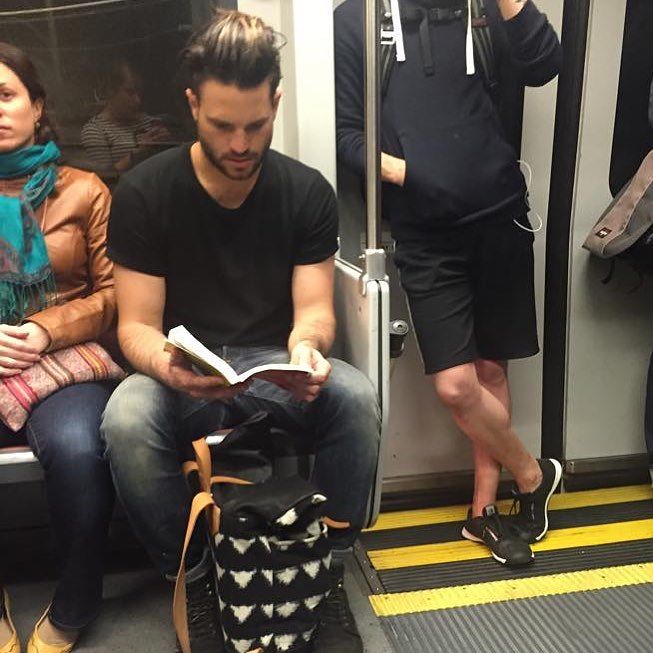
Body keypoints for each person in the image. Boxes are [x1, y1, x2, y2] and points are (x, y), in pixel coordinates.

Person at [100, 10, 379, 653]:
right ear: (193, 104)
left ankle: (326, 568)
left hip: (268, 362)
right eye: (222, 126)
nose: (241, 145)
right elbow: (136, 326)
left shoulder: (306, 193)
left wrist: (307, 350)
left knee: (356, 399)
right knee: (125, 419)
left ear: (275, 101)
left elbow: (314, 310)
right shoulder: (146, 193)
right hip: (184, 362)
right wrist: (170, 368)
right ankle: (194, 573)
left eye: (256, 125)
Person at [335, 0, 562, 567]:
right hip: (426, 232)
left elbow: (544, 62)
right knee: (457, 385)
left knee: (491, 371)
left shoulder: (485, 10)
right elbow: (346, 135)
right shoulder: (357, 19)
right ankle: (533, 475)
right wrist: (414, 175)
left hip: (502, 217)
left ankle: (482, 511)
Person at [0, 43, 116, 653]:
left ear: (37, 106)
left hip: (63, 365)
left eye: (6, 94)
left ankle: (75, 603)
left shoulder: (85, 190)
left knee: (77, 448)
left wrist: (47, 329)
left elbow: (115, 294)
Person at [81, 61, 172, 176]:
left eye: (139, 93)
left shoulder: (149, 121)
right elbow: (104, 177)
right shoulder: (95, 131)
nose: (137, 100)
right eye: (130, 92)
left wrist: (167, 144)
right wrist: (138, 152)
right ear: (111, 91)